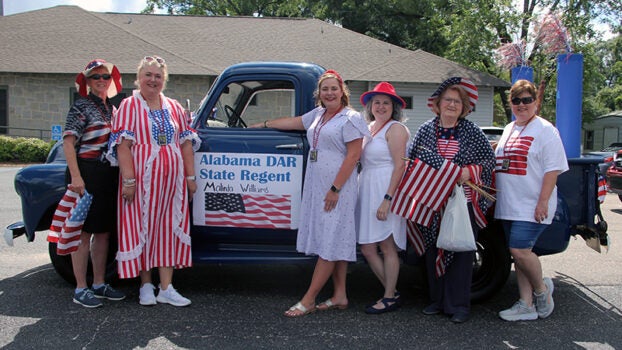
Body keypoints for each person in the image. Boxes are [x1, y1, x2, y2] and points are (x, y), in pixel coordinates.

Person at [250, 70, 368, 317]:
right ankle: (340, 295)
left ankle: (309, 299)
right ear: (320, 94)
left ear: (342, 91)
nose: (329, 93)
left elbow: (354, 155)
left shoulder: (351, 118)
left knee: (330, 240)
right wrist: (264, 124)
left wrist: (335, 188)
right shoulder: (318, 115)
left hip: (338, 187)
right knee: (334, 238)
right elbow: (294, 122)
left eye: (334, 88)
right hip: (318, 184)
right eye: (325, 89)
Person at [107, 56, 200, 307]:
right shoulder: (129, 105)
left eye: (158, 76)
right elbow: (123, 146)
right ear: (138, 78)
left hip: (172, 181)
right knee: (142, 227)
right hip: (142, 179)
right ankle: (145, 284)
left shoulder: (174, 107)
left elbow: (186, 143)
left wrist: (190, 178)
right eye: (148, 75)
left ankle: (166, 287)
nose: (153, 80)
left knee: (168, 227)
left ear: (164, 80)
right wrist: (129, 181)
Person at [407, 77, 495, 323]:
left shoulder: (472, 132)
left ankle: (459, 306)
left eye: (457, 101)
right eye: (447, 100)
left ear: (464, 106)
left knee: (461, 251)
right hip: (431, 201)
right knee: (433, 249)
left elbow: (488, 162)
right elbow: (413, 162)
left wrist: (468, 173)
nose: (452, 105)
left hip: (462, 202)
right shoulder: (425, 130)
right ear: (438, 103)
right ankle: (437, 300)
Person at [495, 79, 568, 321]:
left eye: (527, 100)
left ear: (536, 102)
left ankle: (541, 290)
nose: (521, 104)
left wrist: (543, 202)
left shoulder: (546, 130)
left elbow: (552, 169)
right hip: (509, 205)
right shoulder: (509, 128)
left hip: (530, 205)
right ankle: (525, 305)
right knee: (519, 254)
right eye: (516, 100)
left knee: (520, 249)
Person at [63, 58, 125, 308]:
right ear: (87, 81)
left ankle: (99, 283)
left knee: (103, 233)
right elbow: (68, 142)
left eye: (105, 77)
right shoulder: (81, 107)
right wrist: (76, 177)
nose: (101, 81)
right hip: (86, 172)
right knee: (82, 231)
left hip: (108, 174)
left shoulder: (113, 109)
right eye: (95, 77)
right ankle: (80, 287)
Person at [356, 82, 410, 314]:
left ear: (394, 107)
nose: (380, 106)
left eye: (386, 102)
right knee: (367, 247)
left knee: (387, 246)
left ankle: (388, 297)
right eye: (376, 102)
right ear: (370, 106)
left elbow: (400, 166)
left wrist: (388, 198)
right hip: (367, 188)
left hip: (385, 189)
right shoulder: (369, 128)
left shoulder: (395, 129)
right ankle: (393, 291)